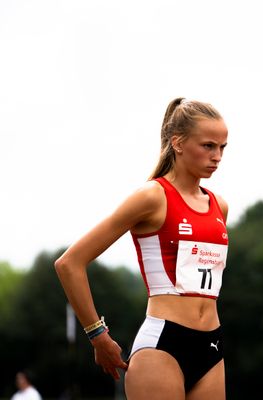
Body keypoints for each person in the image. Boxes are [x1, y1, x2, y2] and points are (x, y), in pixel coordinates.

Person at [55, 97, 229, 400]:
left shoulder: (219, 206)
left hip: (211, 347)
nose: (217, 156)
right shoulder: (152, 196)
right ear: (177, 143)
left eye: (222, 147)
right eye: (208, 146)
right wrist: (97, 335)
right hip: (163, 346)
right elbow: (69, 263)